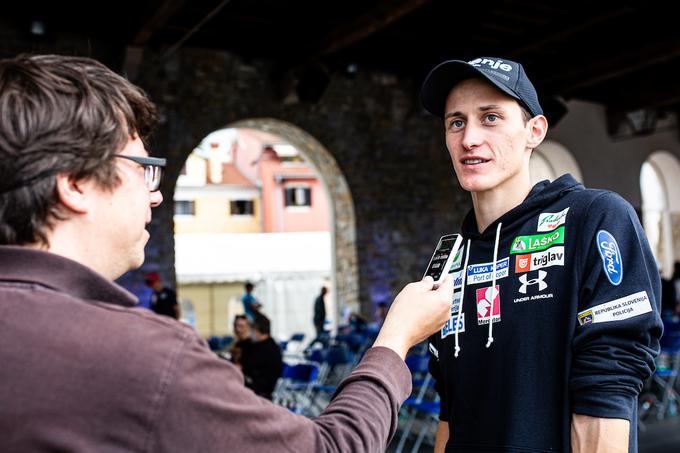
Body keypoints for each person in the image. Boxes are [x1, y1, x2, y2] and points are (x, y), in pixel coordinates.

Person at [0, 54, 454, 452]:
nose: (154, 196)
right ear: (75, 183)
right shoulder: (146, 357)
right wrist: (395, 341)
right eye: (142, 170)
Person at [419, 56, 663, 452]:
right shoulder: (452, 258)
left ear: (535, 131)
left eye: (491, 117)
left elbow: (610, 381)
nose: (469, 139)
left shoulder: (594, 217)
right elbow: (451, 405)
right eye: (456, 122)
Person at [240, 314, 283, 400]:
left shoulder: (268, 349)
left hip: (260, 392)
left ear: (256, 330)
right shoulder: (260, 344)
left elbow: (245, 365)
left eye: (251, 329)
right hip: (254, 386)